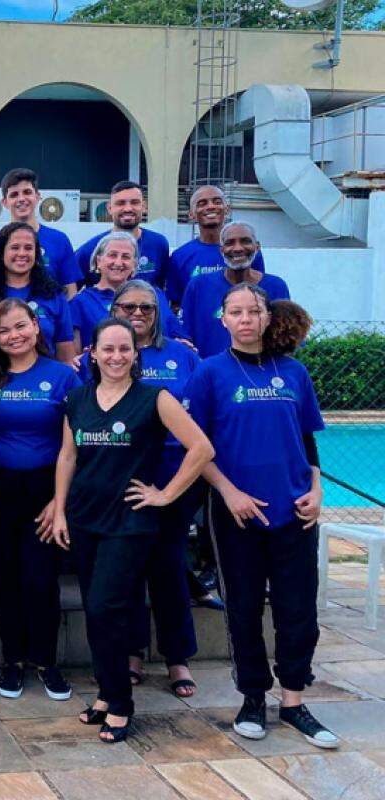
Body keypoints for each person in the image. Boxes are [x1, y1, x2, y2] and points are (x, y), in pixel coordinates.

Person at [187, 283, 337, 749]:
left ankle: (293, 702)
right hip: (237, 513)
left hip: (294, 512)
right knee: (244, 609)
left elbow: (308, 443)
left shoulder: (293, 372)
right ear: (224, 319)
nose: (247, 318)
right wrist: (229, 493)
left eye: (254, 310)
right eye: (237, 311)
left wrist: (316, 490)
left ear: (267, 318)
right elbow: (198, 449)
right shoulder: (210, 374)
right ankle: (253, 697)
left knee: (298, 609)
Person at [50, 318, 213, 744]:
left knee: (107, 607)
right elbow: (68, 458)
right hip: (85, 518)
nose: (117, 356)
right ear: (93, 354)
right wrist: (61, 511)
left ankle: (120, 703)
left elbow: (201, 449)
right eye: (108, 349)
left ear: (135, 355)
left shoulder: (154, 398)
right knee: (94, 608)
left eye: (125, 349)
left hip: (130, 521)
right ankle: (106, 693)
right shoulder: (77, 399)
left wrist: (165, 494)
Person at [0, 299, 80, 701]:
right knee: (4, 578)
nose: (13, 335)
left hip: (46, 492)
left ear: (35, 327)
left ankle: (46, 662)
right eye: (3, 331)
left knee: (41, 579)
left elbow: (74, 445)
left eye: (20, 326)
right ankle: (12, 661)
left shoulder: (63, 377)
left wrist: (59, 502)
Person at [105, 280, 202, 696]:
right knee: (128, 570)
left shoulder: (183, 356)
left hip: (172, 474)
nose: (138, 314)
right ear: (115, 310)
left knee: (168, 567)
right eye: (129, 307)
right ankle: (131, 652)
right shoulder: (105, 356)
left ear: (159, 311)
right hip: (123, 477)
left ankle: (177, 658)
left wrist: (171, 488)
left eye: (147, 307)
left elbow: (201, 423)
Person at [0, 222, 75, 365]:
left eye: (28, 248)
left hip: (46, 383)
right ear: (1, 252)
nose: (22, 253)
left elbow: (65, 354)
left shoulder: (53, 295)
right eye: (15, 248)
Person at [181, 222, 290, 358]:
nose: (238, 248)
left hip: (261, 372)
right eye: (230, 243)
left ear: (257, 247)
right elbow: (184, 334)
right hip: (211, 374)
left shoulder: (276, 286)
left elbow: (286, 337)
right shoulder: (199, 285)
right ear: (221, 250)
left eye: (245, 241)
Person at [70, 231, 184, 351]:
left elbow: (177, 337)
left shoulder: (155, 296)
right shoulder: (80, 303)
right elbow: (74, 358)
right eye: (112, 255)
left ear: (134, 264)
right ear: (98, 261)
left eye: (126, 257)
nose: (118, 263)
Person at [0, 168, 82, 295]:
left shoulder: (59, 240)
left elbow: (70, 292)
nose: (21, 199)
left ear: (38, 196)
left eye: (27, 192)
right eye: (14, 194)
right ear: (4, 202)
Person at [166, 186, 267, 305]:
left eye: (217, 202)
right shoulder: (180, 256)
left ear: (227, 209)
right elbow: (176, 303)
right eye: (202, 203)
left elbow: (260, 293)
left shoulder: (248, 252)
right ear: (191, 214)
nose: (210, 206)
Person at [73, 181, 171, 288]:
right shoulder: (90, 250)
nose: (128, 209)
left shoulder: (159, 244)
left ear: (144, 206)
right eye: (120, 203)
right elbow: (70, 291)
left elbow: (163, 287)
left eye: (134, 202)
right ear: (109, 208)